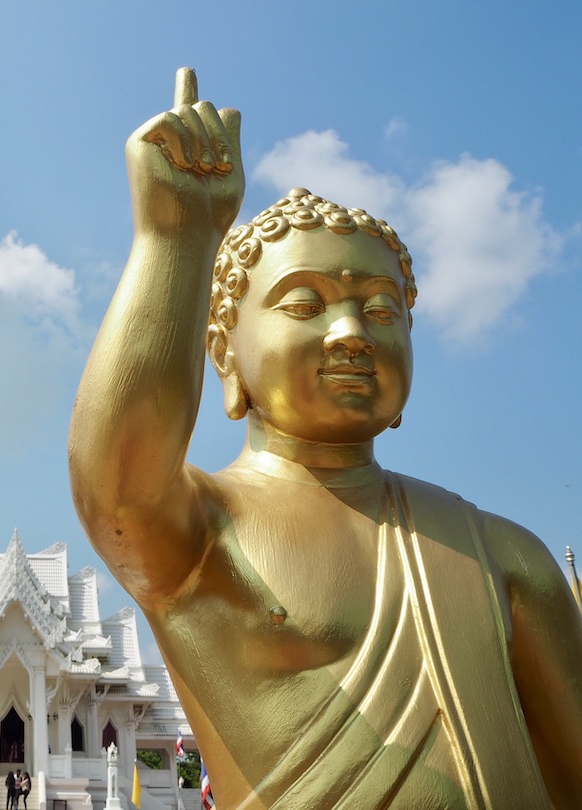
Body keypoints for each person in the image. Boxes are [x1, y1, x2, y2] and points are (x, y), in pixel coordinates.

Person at [68, 67, 582, 808]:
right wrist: (176, 241)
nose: (350, 335)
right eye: (304, 303)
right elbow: (116, 484)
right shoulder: (205, 533)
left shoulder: (506, 559)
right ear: (225, 355)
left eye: (381, 310)